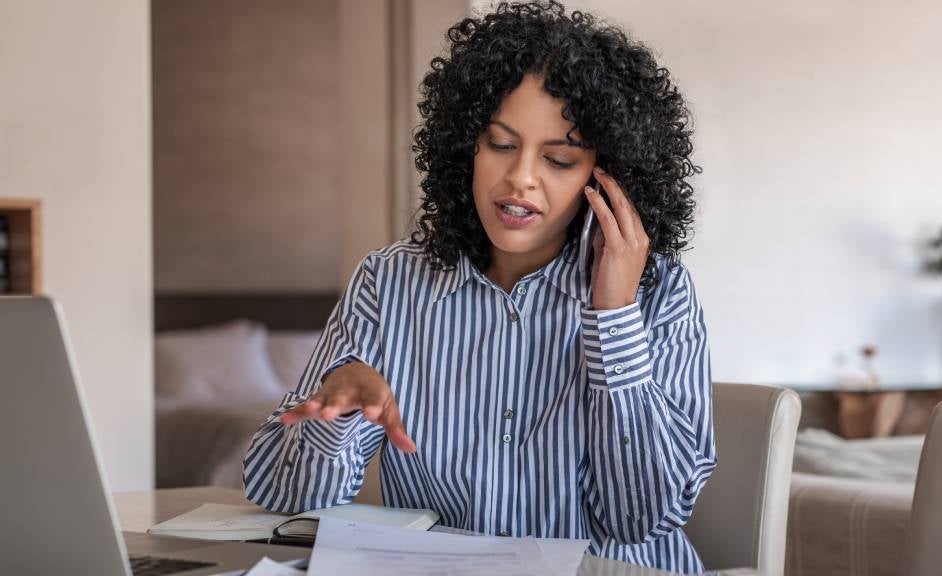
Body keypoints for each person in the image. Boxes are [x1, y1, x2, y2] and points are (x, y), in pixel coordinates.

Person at [242, 1, 715, 572]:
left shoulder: (661, 293)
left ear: (608, 178)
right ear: (465, 144)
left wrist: (613, 317)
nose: (520, 177)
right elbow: (279, 493)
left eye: (560, 159)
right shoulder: (389, 283)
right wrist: (336, 408)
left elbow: (642, 518)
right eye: (500, 144)